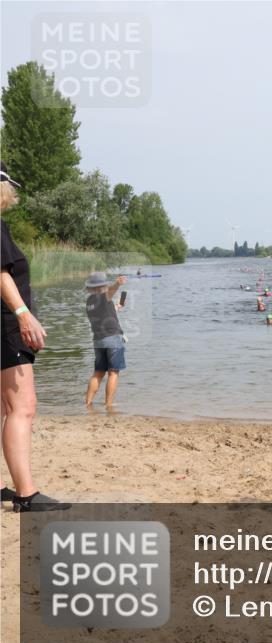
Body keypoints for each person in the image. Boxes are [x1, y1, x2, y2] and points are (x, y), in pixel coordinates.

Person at [0, 161, 68, 511]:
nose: (12, 196)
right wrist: (23, 314)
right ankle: (26, 494)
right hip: (6, 326)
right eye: (10, 188)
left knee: (4, 408)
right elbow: (1, 273)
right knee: (22, 408)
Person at [84, 272, 127, 407]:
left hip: (98, 340)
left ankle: (88, 403)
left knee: (98, 372)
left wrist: (115, 308)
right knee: (113, 372)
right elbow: (111, 290)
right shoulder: (104, 296)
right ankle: (108, 405)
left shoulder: (89, 301)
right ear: (102, 286)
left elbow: (103, 311)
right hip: (113, 337)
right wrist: (118, 283)